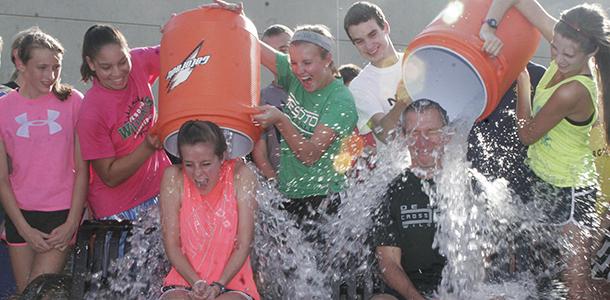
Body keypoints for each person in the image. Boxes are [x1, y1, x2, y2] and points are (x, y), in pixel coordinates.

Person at [481, 1, 610, 298]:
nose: (559, 59)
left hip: (573, 192)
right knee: (545, 282)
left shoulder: (574, 90)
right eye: (555, 48)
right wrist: (488, 27)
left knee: (574, 286)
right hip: (543, 183)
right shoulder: (567, 37)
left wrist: (523, 80)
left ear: (590, 53)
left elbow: (527, 135)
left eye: (569, 55)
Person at [215, 1, 358, 225]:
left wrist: (280, 119)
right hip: (289, 192)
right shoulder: (295, 77)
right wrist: (237, 20)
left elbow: (310, 155)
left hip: (323, 199)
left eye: (307, 63)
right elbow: (249, 43)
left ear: (328, 59)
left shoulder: (340, 100)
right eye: (293, 63)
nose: (299, 71)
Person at [0, 29, 87, 295]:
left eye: (56, 68)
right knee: (26, 291)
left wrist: (72, 222)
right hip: (20, 215)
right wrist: (24, 229)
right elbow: (2, 179)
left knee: (36, 293)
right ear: (19, 62)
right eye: (41, 67)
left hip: (60, 216)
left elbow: (83, 168)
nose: (50, 76)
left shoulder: (73, 102)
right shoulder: (3, 109)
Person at [76, 24, 171, 222]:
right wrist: (148, 145)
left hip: (160, 189)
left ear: (128, 53)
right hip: (119, 209)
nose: (118, 73)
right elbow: (109, 176)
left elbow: (183, 52)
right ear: (91, 64)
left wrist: (176, 29)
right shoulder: (91, 111)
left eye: (122, 62)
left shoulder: (138, 61)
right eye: (106, 67)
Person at [160, 120, 259, 300]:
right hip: (184, 281)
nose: (198, 173)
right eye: (189, 164)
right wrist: (196, 282)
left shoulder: (241, 176)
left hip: (233, 283)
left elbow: (244, 244)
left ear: (222, 158)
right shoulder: (173, 178)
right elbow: (171, 244)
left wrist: (219, 285)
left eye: (206, 164)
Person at [372, 99, 450, 300]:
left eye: (431, 131)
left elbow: (482, 260)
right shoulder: (392, 191)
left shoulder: (467, 185)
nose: (422, 141)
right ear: (404, 138)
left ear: (447, 135)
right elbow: (389, 263)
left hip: (458, 289)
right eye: (414, 133)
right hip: (407, 291)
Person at [344, 1, 411, 144]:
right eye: (360, 41)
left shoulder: (416, 62)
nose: (369, 46)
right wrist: (402, 102)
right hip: (397, 165)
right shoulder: (358, 87)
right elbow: (383, 134)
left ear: (385, 27)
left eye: (372, 34)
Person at [251, 24, 293, 180]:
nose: (276, 57)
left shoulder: (314, 88)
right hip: (284, 188)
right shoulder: (261, 98)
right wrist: (275, 184)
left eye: (283, 50)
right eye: (270, 51)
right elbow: (259, 151)